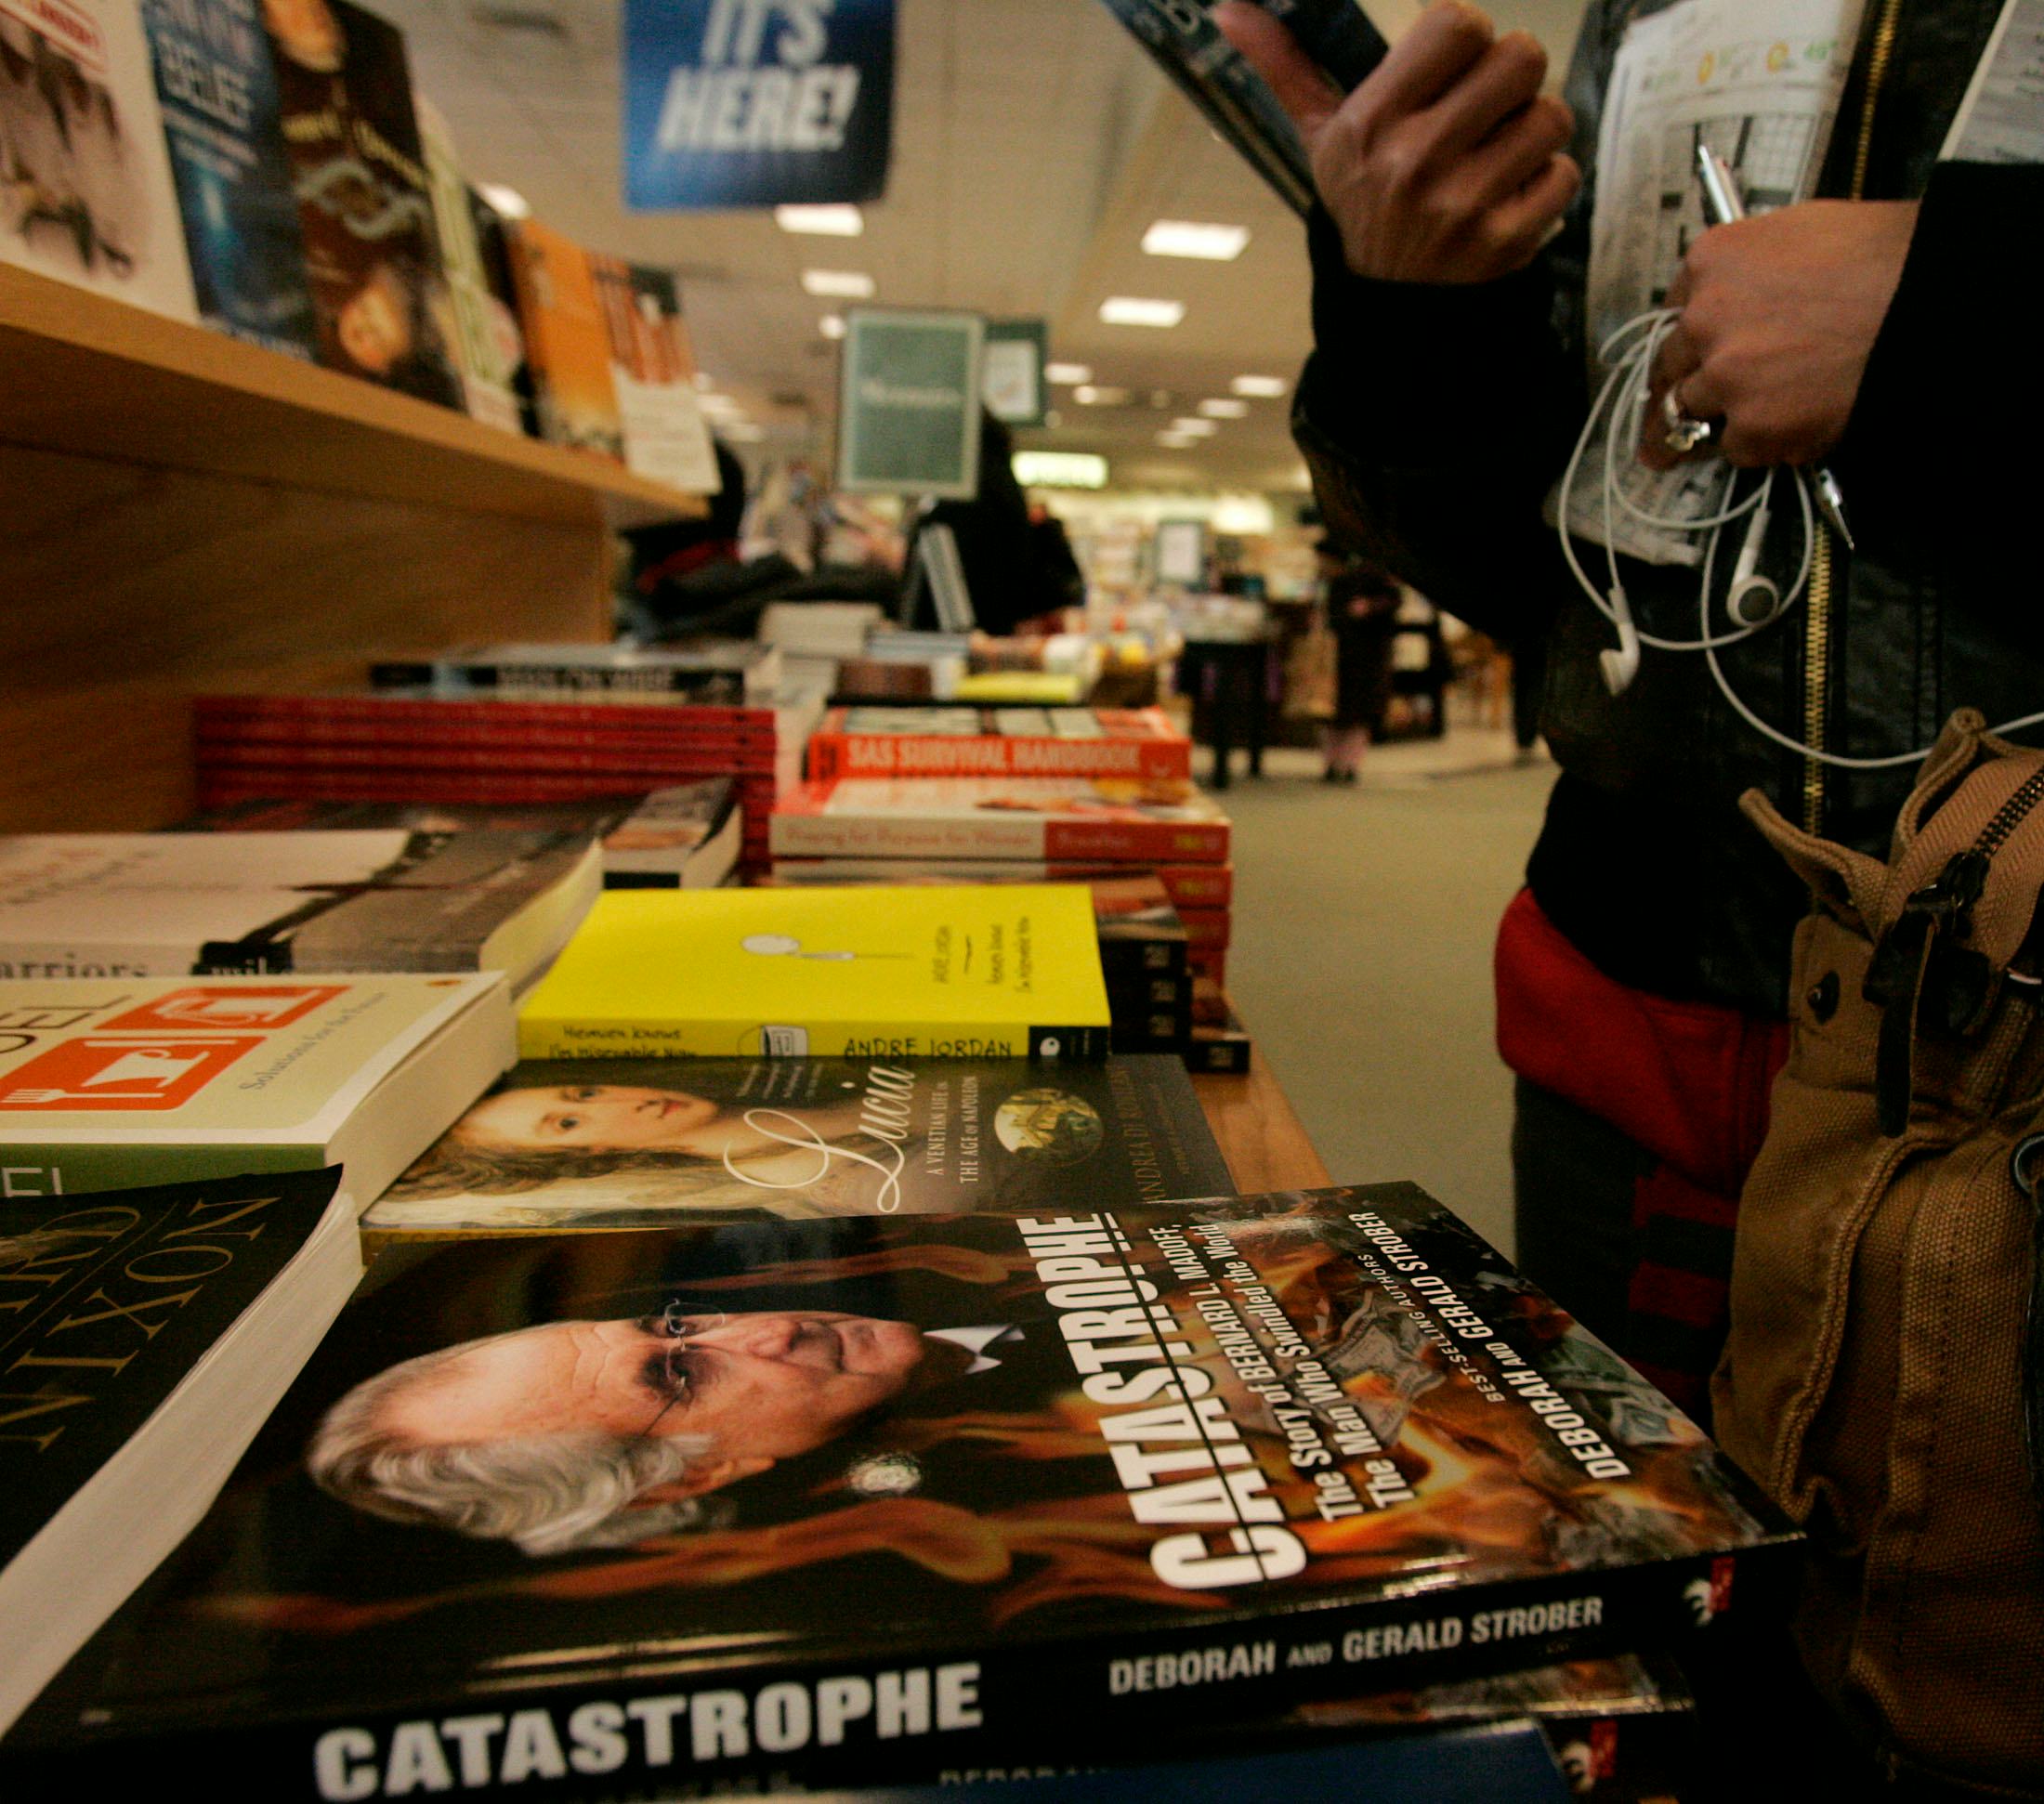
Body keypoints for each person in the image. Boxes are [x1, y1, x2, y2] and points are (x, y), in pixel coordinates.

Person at [1216, 0, 2044, 1417]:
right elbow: (1556, 576)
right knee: (1632, 1530)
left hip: (2008, 1050)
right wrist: (1415, 314)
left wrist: (1971, 304)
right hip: (1629, 1041)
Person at [1317, 541, 1401, 781]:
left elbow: (1393, 600)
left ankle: (1346, 764)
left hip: (1362, 656)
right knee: (1335, 713)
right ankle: (1336, 764)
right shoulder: (1332, 582)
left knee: (1352, 715)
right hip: (1339, 656)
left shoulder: (1368, 575)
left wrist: (1368, 607)